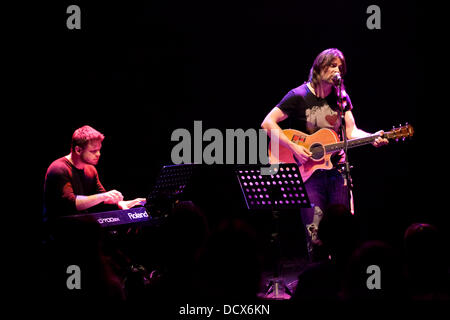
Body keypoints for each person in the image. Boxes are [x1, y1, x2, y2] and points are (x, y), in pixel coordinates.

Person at [261, 48, 388, 258]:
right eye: (332, 65)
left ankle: (343, 281)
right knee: (315, 233)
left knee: (342, 233)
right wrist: (294, 147)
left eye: (340, 67)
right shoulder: (299, 95)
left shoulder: (341, 98)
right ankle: (319, 280)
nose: (337, 71)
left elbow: (351, 131)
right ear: (319, 67)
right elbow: (268, 123)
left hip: (337, 172)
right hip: (309, 174)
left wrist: (371, 136)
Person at [43, 125, 146, 224]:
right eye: (93, 151)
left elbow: (102, 198)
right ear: (78, 150)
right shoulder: (58, 168)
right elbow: (70, 204)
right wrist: (104, 196)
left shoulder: (91, 169)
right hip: (59, 231)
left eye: (99, 150)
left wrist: (120, 203)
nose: (98, 154)